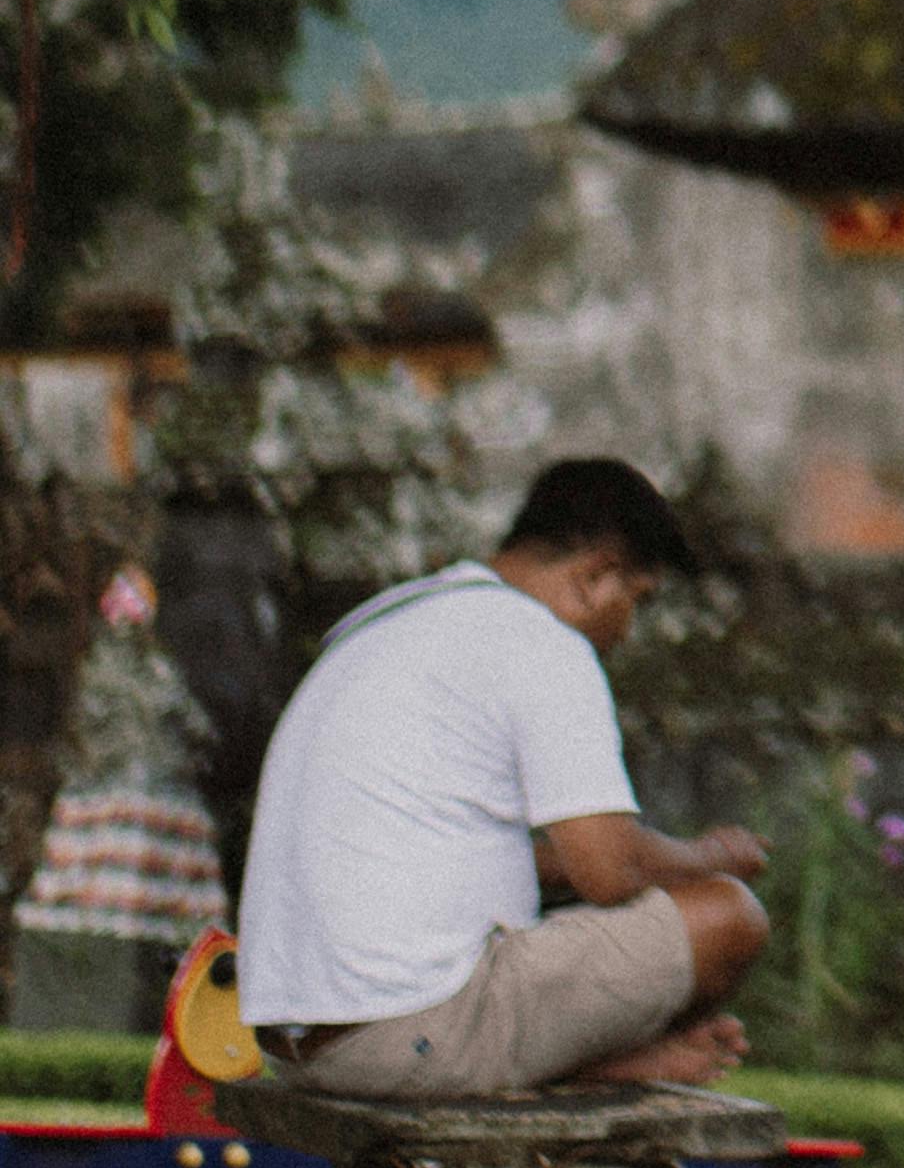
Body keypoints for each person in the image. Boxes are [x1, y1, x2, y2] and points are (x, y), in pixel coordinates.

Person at [237, 461, 767, 1098]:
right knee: (728, 916)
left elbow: (486, 853)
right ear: (596, 575)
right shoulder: (542, 644)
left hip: (300, 1042)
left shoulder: (390, 620)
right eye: (638, 601)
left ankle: (582, 1060)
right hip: (412, 1032)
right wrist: (706, 857)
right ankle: (599, 1062)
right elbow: (608, 872)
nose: (627, 630)